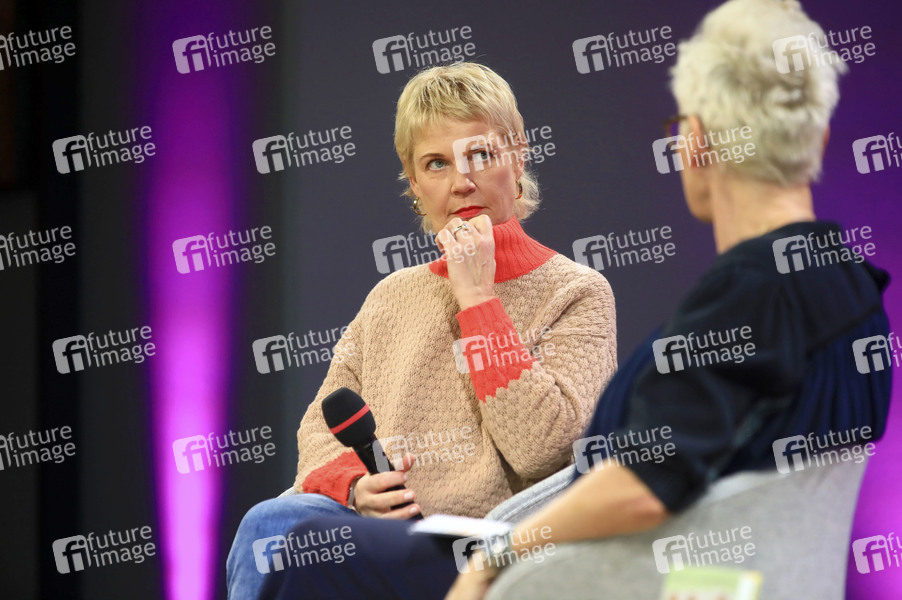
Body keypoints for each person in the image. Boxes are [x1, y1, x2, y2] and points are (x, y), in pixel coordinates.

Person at [256, 0, 893, 598]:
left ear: (695, 143)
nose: (462, 180)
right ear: (819, 142)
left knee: (306, 551)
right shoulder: (850, 289)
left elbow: (641, 482)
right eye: (436, 163)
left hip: (609, 574)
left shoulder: (752, 295)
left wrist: (495, 558)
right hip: (707, 573)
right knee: (283, 526)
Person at [225, 62, 618, 599]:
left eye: (480, 155)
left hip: (490, 547)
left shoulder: (576, 292)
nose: (461, 183)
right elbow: (317, 434)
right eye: (436, 164)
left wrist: (478, 298)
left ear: (519, 156)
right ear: (414, 183)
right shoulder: (391, 296)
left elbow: (543, 449)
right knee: (270, 524)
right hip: (375, 535)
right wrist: (356, 487)